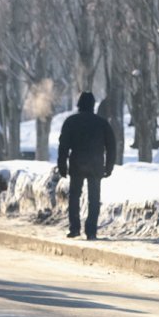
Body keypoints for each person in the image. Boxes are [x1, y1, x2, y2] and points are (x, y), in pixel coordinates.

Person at [57, 91, 116, 240]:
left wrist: (62, 165)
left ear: (79, 105)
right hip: (96, 165)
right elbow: (111, 146)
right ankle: (91, 231)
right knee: (94, 199)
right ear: (92, 106)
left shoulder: (71, 122)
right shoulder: (102, 123)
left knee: (74, 197)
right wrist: (109, 167)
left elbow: (63, 145)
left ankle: (74, 228)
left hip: (77, 164)